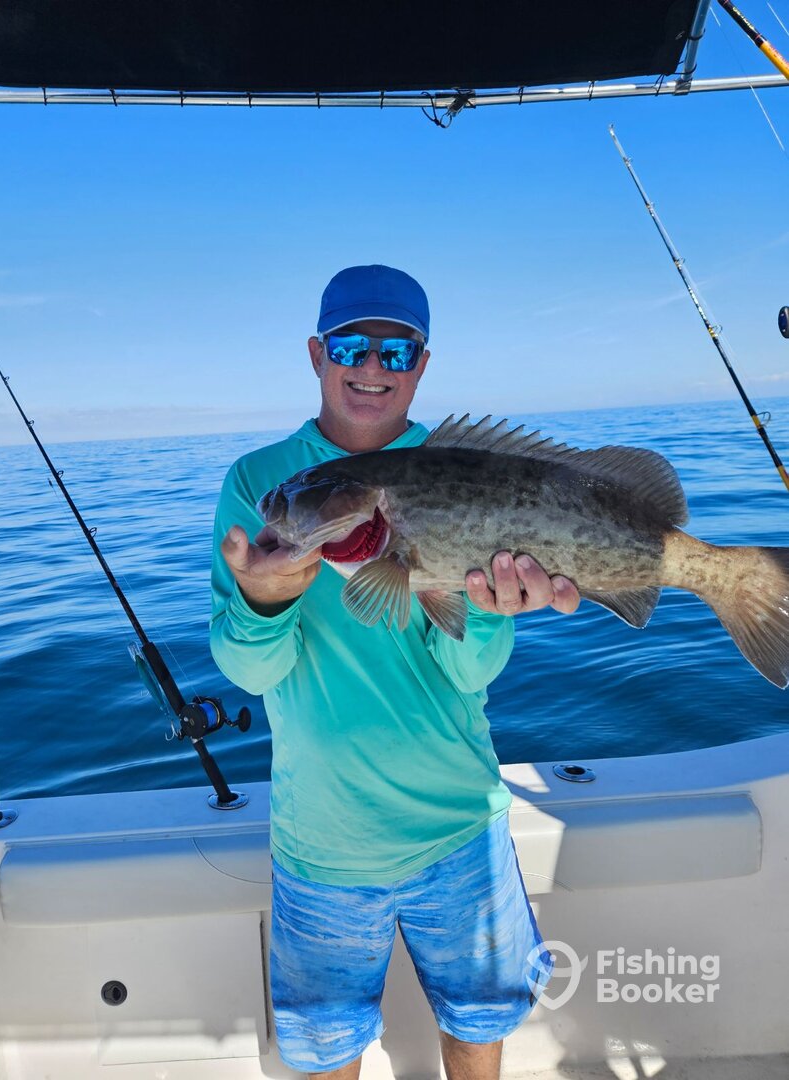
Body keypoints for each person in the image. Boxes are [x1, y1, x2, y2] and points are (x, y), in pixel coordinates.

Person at [210, 265, 580, 1080]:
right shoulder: (259, 483)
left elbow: (470, 670)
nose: (373, 366)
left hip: (462, 824)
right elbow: (245, 668)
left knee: (480, 1025)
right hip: (323, 843)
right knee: (329, 1050)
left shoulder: (457, 463)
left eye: (397, 350)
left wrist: (488, 609)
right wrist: (265, 600)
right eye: (351, 346)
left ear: (421, 364)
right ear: (317, 354)